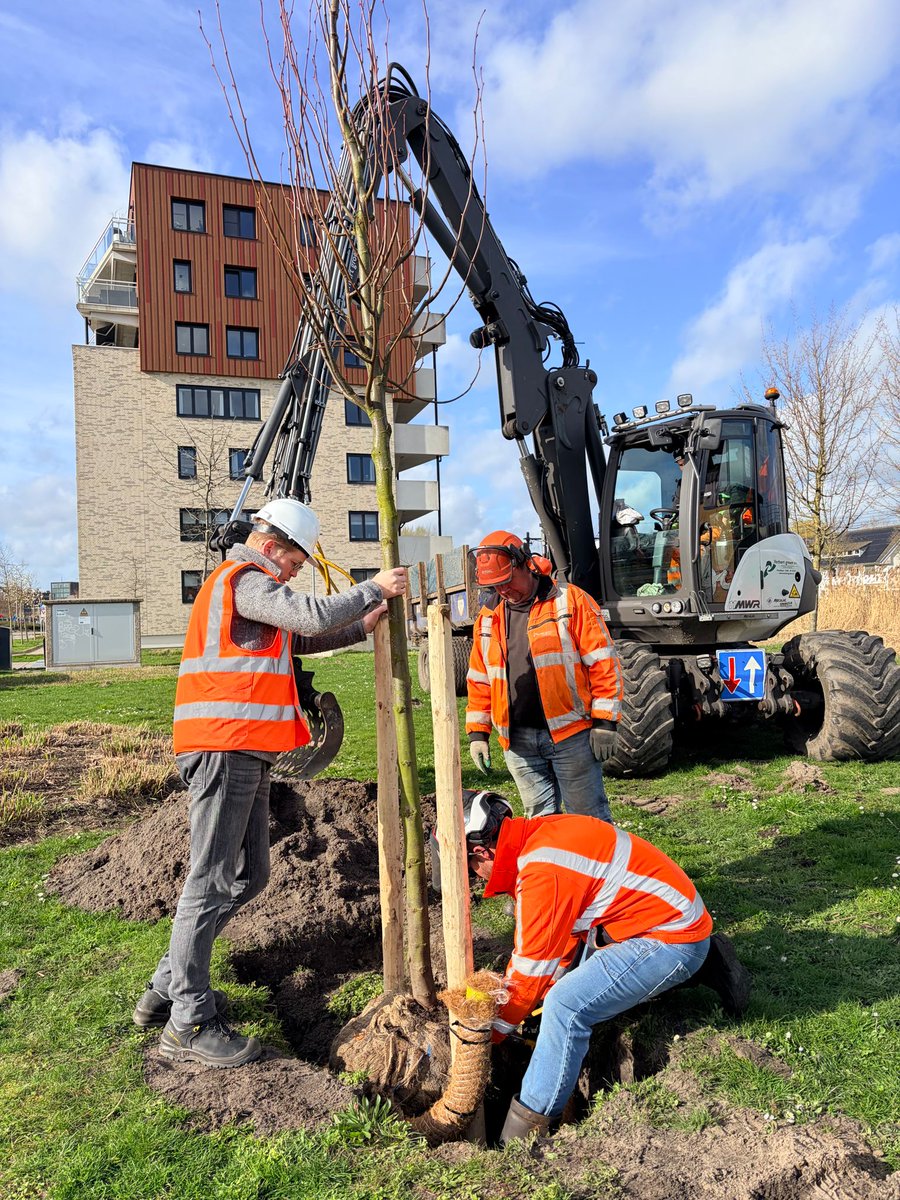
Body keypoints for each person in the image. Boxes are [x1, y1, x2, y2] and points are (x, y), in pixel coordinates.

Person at [132, 497, 406, 1068]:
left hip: (247, 749)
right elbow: (308, 616)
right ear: (271, 545)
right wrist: (372, 589)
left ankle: (168, 986)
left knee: (249, 876)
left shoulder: (256, 594)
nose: (296, 572)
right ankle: (188, 1021)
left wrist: (361, 623)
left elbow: (299, 639)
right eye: (296, 562)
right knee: (210, 880)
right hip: (224, 745)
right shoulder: (244, 578)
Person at [459, 791, 711, 1143]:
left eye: (471, 869)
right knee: (559, 991)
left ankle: (522, 1136)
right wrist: (532, 1002)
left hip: (670, 940)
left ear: (482, 852)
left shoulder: (543, 872)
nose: (477, 878)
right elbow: (559, 940)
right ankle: (708, 965)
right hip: (653, 921)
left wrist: (493, 1033)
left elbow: (531, 970)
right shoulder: (540, 839)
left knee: (566, 1006)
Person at [465, 531, 622, 822]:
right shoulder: (488, 618)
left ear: (525, 564)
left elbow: (603, 663)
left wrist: (605, 723)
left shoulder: (570, 601)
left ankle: (599, 855)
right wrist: (478, 733)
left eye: (507, 581)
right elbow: (480, 680)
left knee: (588, 821)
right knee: (540, 823)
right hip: (518, 742)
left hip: (571, 734)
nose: (503, 590)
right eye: (495, 585)